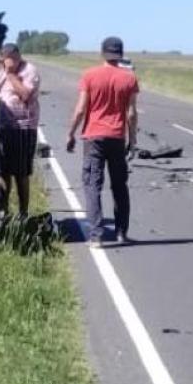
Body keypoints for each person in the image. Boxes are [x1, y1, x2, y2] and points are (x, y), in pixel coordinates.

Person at [66, 36, 139, 247]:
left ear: (102, 53)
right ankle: (121, 233)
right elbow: (132, 114)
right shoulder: (129, 78)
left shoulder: (89, 75)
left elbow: (80, 109)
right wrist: (132, 140)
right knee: (119, 186)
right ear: (121, 54)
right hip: (117, 137)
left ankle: (96, 236)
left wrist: (71, 133)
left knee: (92, 185)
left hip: (93, 137)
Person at [0, 43, 41, 216]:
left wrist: (10, 73)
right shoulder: (3, 71)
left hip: (23, 127)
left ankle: (23, 213)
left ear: (17, 56)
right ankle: (4, 210)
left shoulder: (29, 70)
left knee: (21, 173)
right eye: (4, 58)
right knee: (4, 171)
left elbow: (25, 94)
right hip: (5, 128)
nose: (7, 61)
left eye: (11, 58)